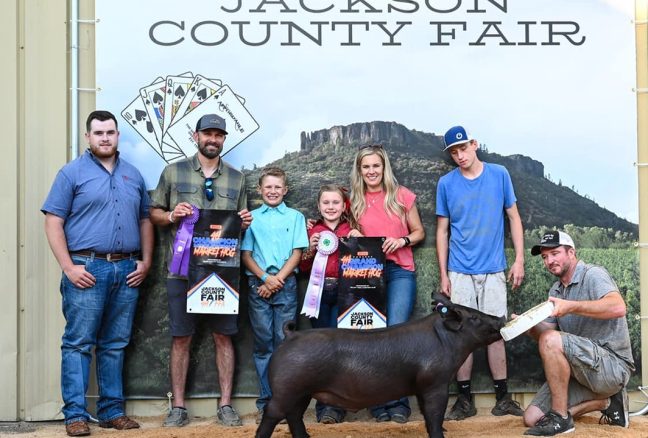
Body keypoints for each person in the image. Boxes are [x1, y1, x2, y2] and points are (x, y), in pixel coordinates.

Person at [42, 110, 153, 437]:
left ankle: (111, 411)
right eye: (98, 133)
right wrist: (68, 267)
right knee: (78, 343)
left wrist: (145, 262)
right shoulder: (71, 174)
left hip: (127, 269)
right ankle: (75, 415)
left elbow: (145, 220)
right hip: (86, 269)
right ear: (88, 138)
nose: (105, 137)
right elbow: (53, 221)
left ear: (118, 136)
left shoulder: (133, 175)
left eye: (110, 132)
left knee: (115, 343)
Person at [149, 114, 252, 428]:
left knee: (224, 336)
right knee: (181, 337)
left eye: (218, 135)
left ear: (223, 140)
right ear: (196, 136)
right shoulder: (173, 172)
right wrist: (170, 216)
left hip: (222, 272)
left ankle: (225, 405)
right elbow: (153, 213)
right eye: (207, 133)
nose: (213, 139)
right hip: (181, 272)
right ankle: (178, 407)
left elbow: (240, 224)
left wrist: (244, 222)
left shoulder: (237, 178)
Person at [436, 125, 525, 420]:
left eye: (463, 148)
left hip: (493, 268)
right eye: (454, 152)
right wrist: (444, 275)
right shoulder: (446, 184)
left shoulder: (499, 174)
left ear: (474, 144)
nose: (460, 155)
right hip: (459, 269)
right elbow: (442, 230)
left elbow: (513, 217)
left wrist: (519, 260)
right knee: (462, 335)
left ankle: (503, 398)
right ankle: (464, 400)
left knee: (496, 331)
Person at [520, 230, 634, 436]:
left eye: (555, 253)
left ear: (571, 252)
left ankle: (561, 418)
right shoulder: (555, 291)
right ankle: (606, 402)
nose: (549, 261)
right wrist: (527, 326)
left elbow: (618, 307)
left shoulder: (593, 274)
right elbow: (547, 336)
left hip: (613, 368)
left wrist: (571, 306)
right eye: (545, 257)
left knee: (551, 340)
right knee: (532, 418)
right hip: (582, 371)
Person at [348, 144, 425, 423]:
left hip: (400, 271)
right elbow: (335, 225)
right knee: (373, 337)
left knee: (396, 334)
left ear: (384, 168)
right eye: (366, 166)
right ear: (360, 170)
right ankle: (378, 402)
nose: (371, 171)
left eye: (376, 166)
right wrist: (351, 230)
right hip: (368, 274)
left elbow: (419, 232)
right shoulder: (353, 200)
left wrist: (403, 239)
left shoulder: (401, 195)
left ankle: (399, 403)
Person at [241, 166, 309, 424]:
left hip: (286, 285)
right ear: (260, 190)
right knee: (262, 345)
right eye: (267, 187)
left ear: (285, 190)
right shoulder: (251, 218)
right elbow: (246, 256)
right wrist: (265, 279)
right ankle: (266, 403)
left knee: (285, 345)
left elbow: (297, 253)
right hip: (259, 286)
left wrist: (277, 279)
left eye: (277, 187)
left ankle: (284, 402)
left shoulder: (295, 217)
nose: (272, 191)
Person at [299, 184, 352, 424]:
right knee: (322, 351)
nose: (331, 207)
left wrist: (358, 241)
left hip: (345, 293)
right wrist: (309, 250)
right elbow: (303, 267)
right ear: (319, 206)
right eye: (326, 203)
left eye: (335, 203)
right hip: (318, 294)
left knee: (341, 349)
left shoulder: (352, 229)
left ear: (343, 206)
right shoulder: (312, 231)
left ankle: (339, 405)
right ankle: (325, 407)